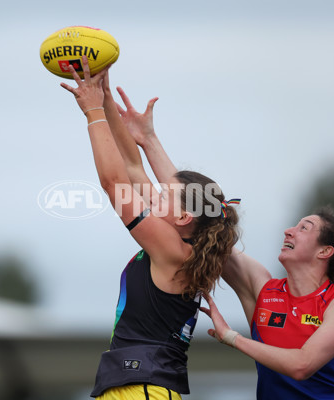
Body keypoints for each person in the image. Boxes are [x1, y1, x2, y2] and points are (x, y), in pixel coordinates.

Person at [121, 92, 334, 399]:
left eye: (304, 228)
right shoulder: (265, 291)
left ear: (324, 251)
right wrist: (148, 138)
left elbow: (303, 365)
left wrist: (232, 337)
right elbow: (201, 211)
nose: (290, 230)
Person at [60, 57, 241, 400]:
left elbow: (115, 184)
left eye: (166, 193)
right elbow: (131, 167)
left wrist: (93, 114)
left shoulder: (173, 250)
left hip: (141, 389)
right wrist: (105, 96)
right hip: (140, 388)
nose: (156, 193)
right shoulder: (177, 242)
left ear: (185, 216)